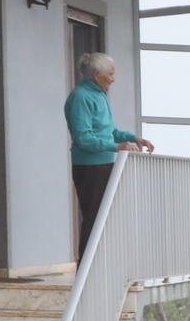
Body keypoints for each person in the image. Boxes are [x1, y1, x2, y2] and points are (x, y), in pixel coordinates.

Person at [64, 52, 152, 257]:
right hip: (90, 167)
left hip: (104, 164)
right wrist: (116, 147)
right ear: (97, 75)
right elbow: (83, 138)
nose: (113, 78)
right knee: (95, 218)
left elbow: (109, 131)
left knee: (105, 219)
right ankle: (85, 274)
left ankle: (98, 266)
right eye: (110, 74)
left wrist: (133, 138)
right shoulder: (81, 97)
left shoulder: (98, 95)